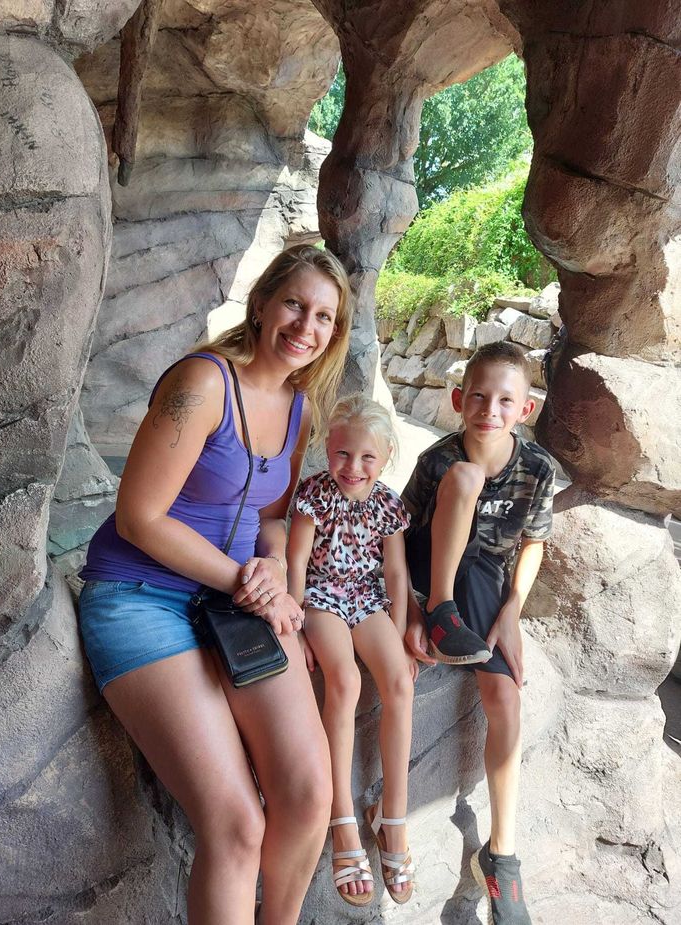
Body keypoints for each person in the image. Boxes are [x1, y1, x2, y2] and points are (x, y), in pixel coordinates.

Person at [77, 244, 353, 925]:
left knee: (309, 790)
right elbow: (139, 516)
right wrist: (246, 578)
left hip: (233, 598)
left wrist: (273, 564)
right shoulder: (201, 383)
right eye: (294, 304)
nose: (305, 327)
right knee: (236, 824)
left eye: (324, 316)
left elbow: (268, 516)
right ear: (261, 303)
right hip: (142, 595)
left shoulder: (298, 408)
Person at [403, 341, 555, 925]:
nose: (490, 409)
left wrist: (511, 612)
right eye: (480, 397)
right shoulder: (440, 459)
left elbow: (532, 543)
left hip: (485, 577)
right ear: (458, 399)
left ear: (526, 409)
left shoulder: (537, 468)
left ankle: (502, 856)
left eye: (505, 400)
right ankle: (443, 612)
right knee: (465, 478)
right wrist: (413, 609)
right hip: (430, 568)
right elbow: (396, 529)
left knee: (505, 696)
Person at [286, 396, 416, 908]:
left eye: (366, 458)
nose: (352, 468)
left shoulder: (388, 504)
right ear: (327, 449)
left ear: (384, 457)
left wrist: (402, 633)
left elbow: (396, 574)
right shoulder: (313, 497)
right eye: (342, 454)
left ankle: (394, 817)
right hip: (320, 597)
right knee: (344, 679)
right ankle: (342, 819)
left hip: (367, 598)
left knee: (400, 683)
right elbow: (297, 562)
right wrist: (294, 624)